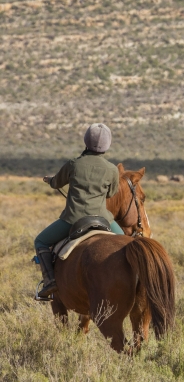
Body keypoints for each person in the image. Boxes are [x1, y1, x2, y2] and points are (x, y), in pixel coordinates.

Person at [34, 123, 124, 297]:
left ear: (86, 141)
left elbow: (56, 183)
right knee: (128, 243)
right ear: (108, 144)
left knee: (41, 241)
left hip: (73, 219)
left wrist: (50, 180)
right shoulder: (112, 169)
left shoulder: (74, 164)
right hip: (103, 219)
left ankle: (50, 282)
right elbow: (111, 193)